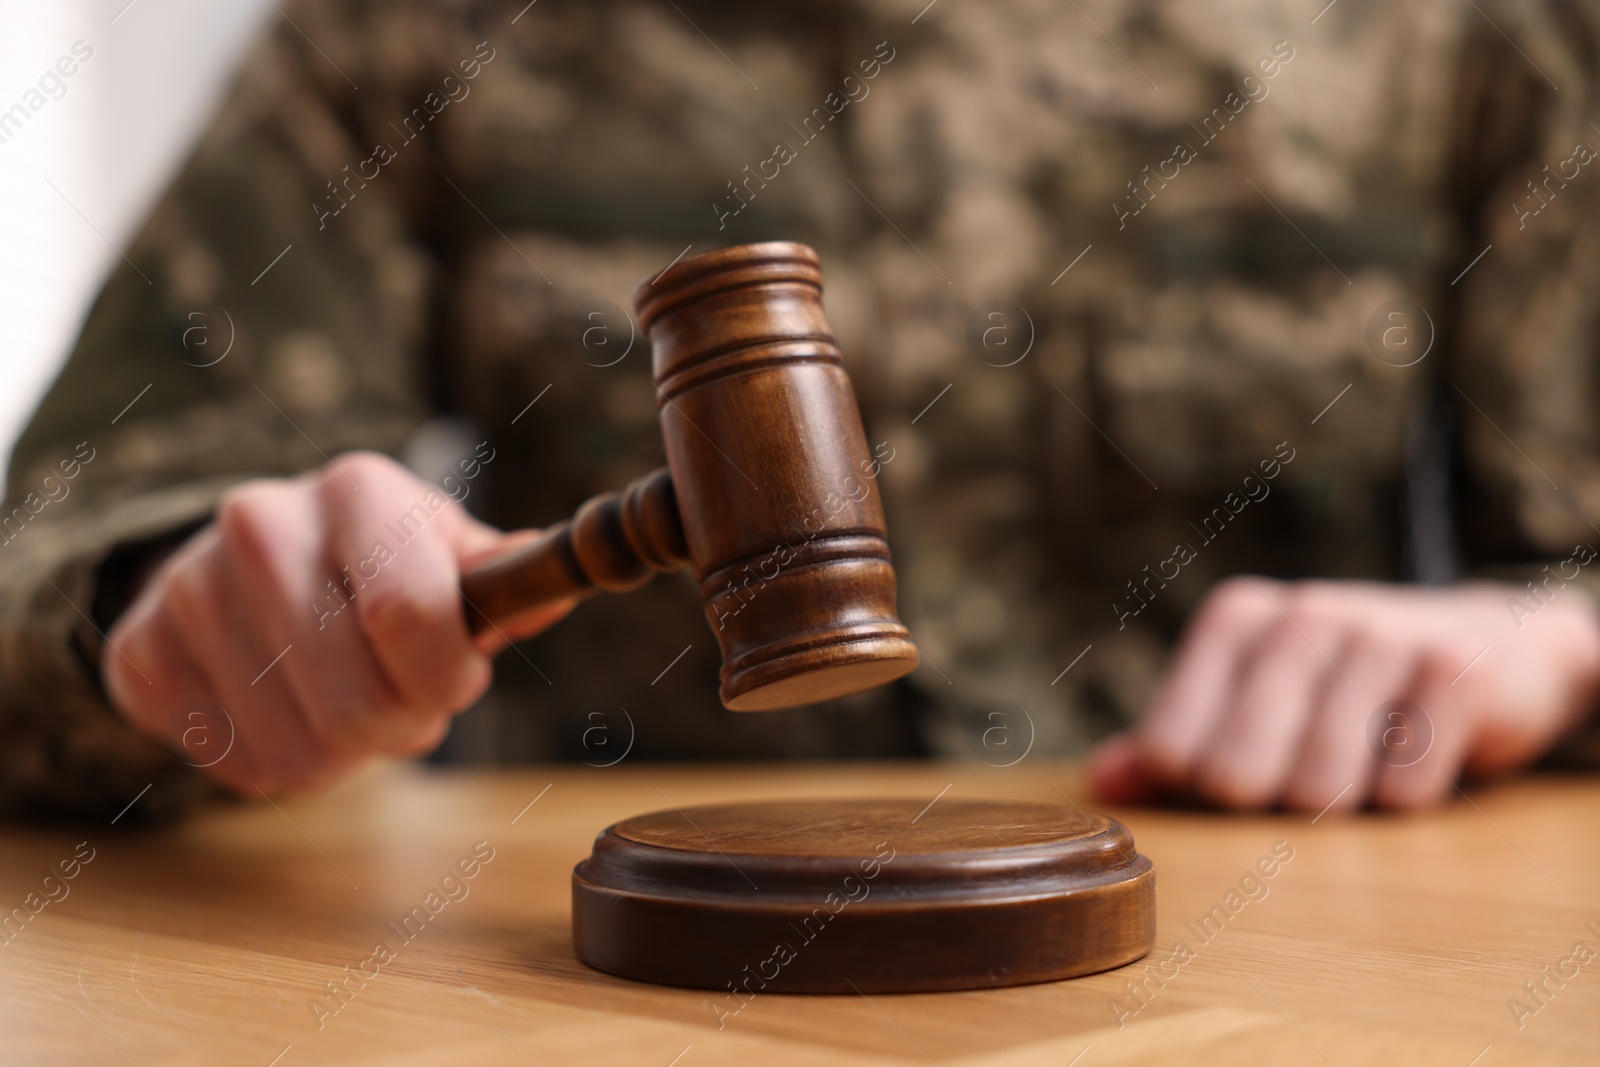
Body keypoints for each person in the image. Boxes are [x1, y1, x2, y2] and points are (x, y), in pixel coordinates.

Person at [4, 0, 1599, 822]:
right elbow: (56, 549)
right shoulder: (419, 28)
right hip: (605, 1008)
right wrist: (156, 608)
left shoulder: (1450, 25)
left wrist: (1551, 646)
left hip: (1296, 982)